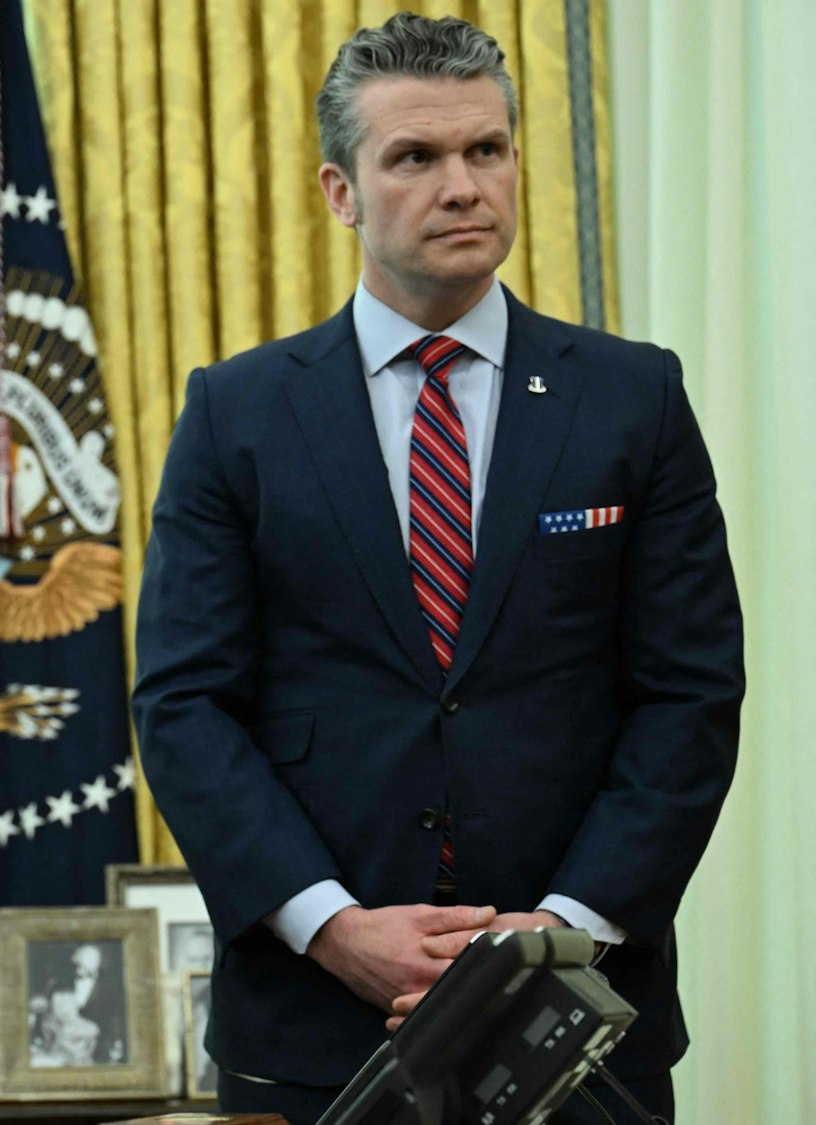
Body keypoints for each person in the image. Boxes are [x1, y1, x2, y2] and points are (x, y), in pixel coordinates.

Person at [131, 14, 741, 1125]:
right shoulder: (236, 413)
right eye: (414, 156)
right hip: (317, 1018)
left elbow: (689, 694)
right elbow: (184, 704)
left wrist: (561, 932)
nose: (461, 186)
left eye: (485, 149)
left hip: (582, 1014)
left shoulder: (632, 398)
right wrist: (329, 925)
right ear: (341, 192)